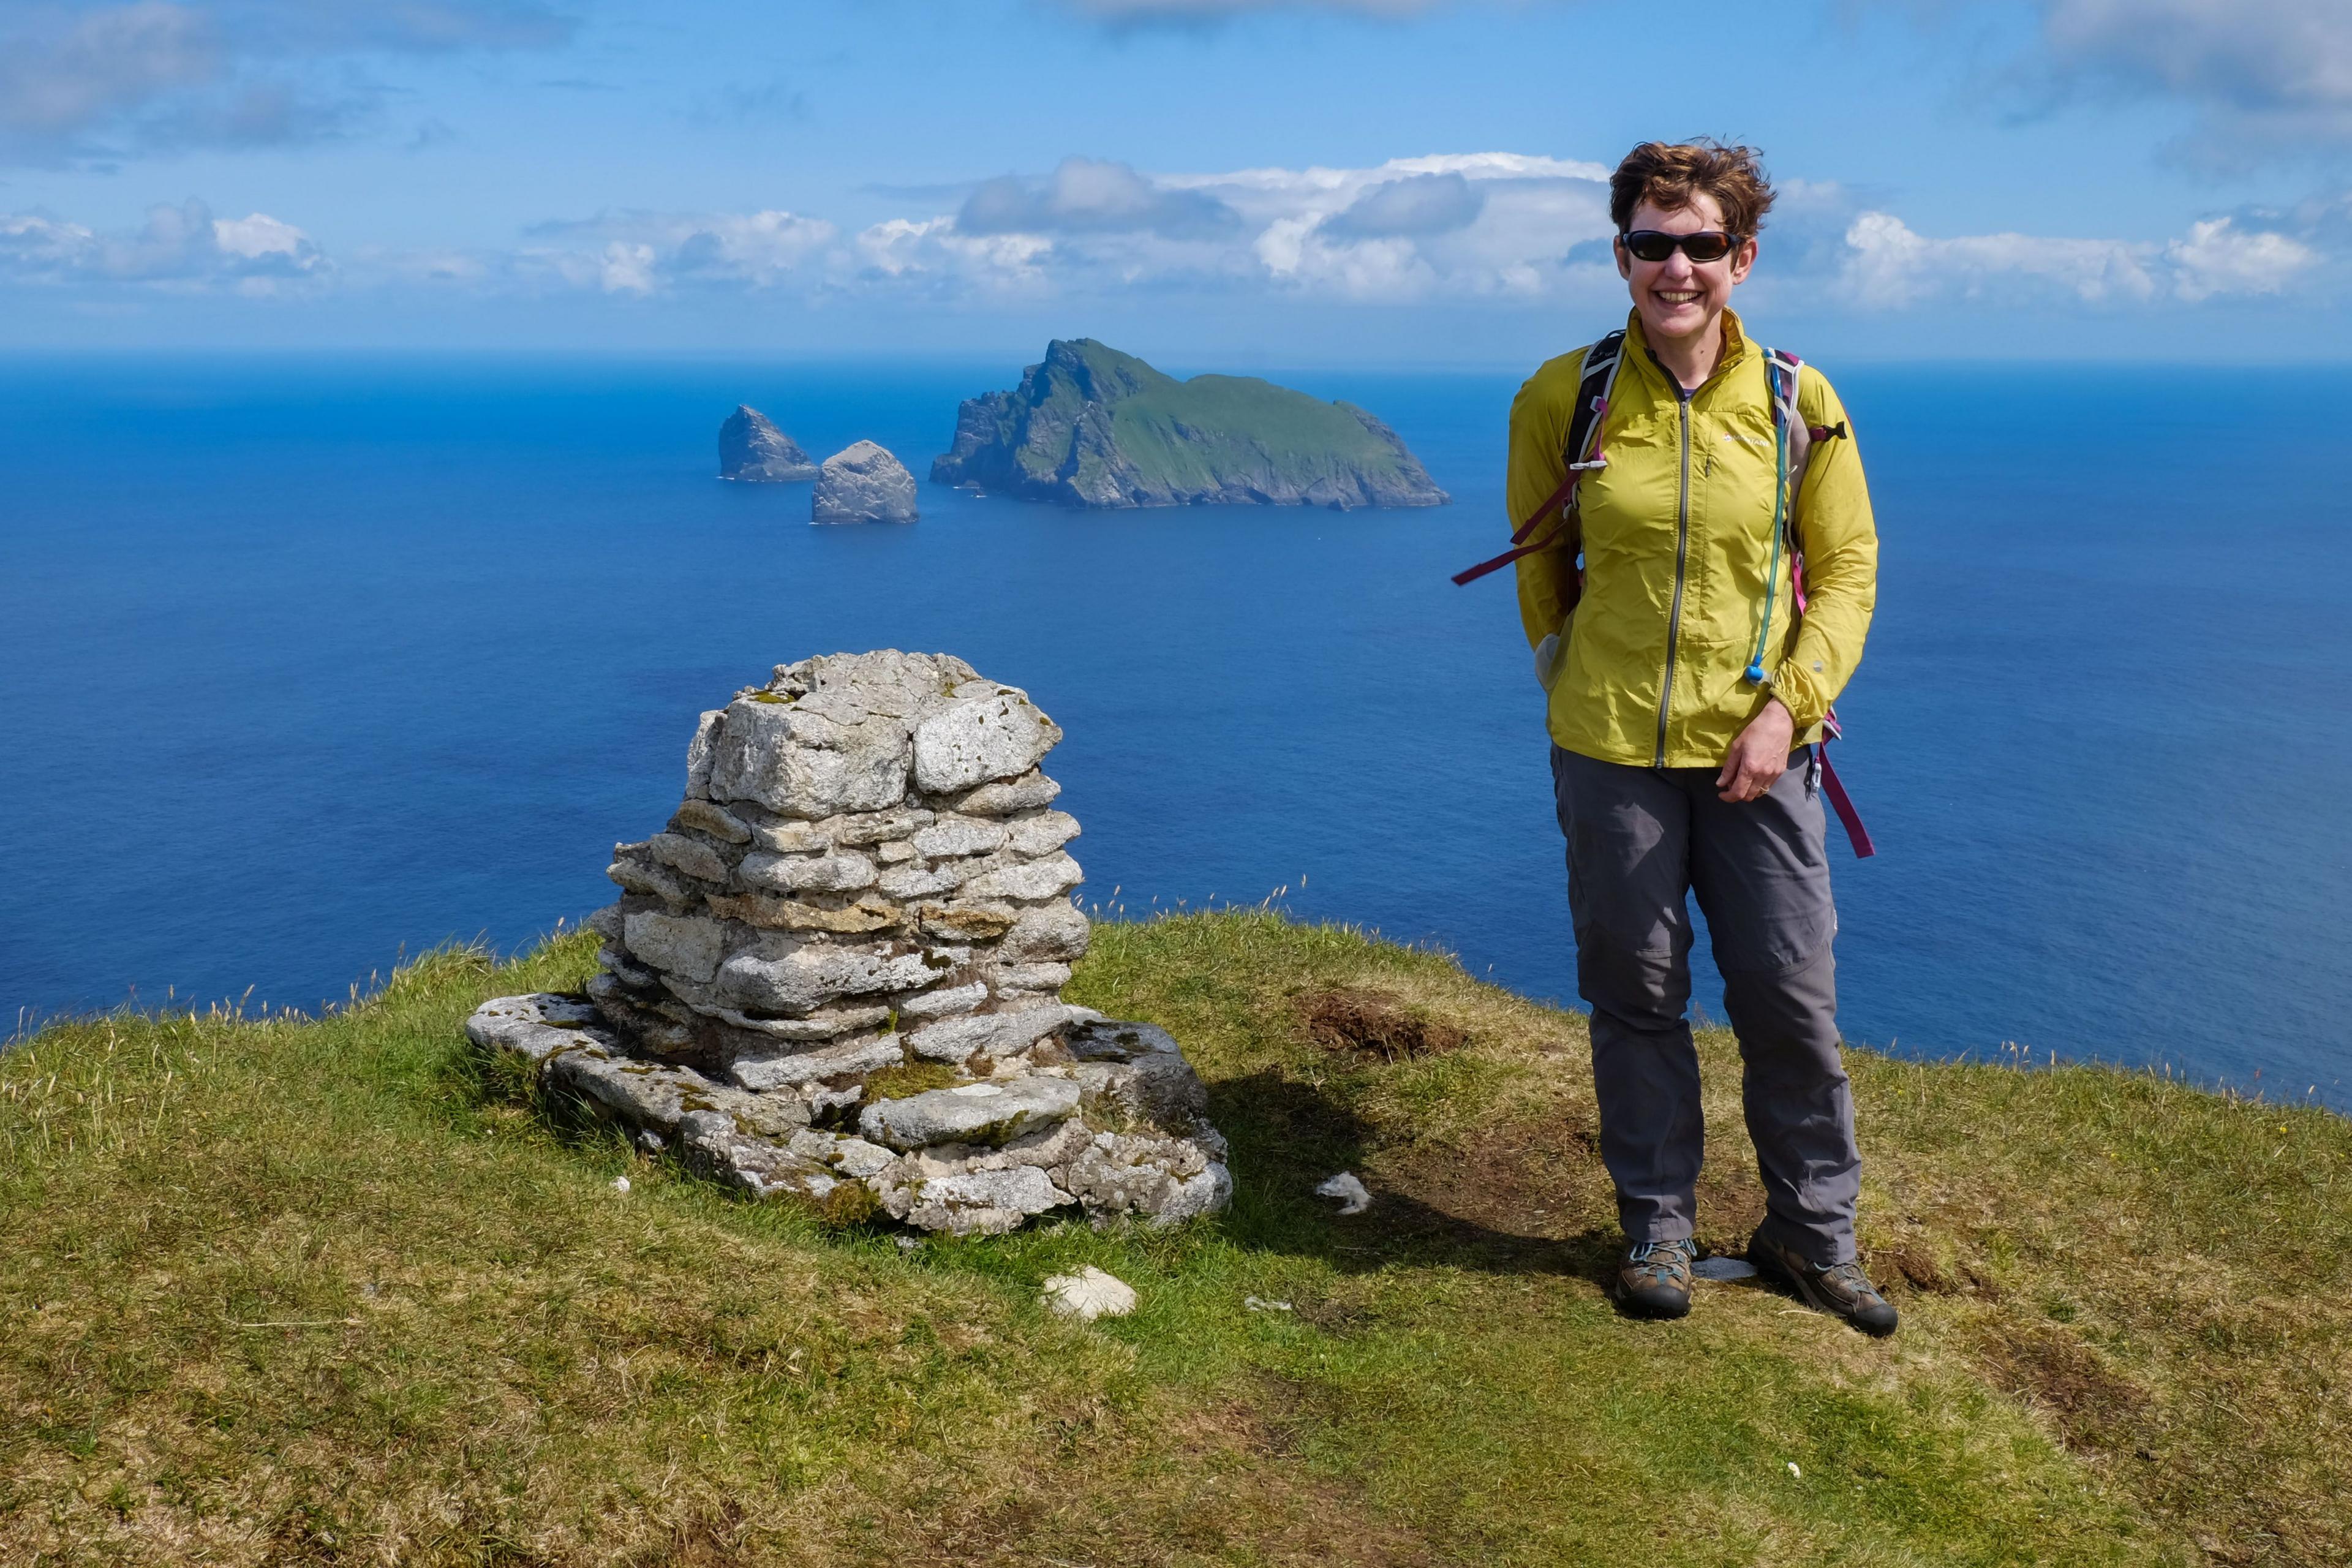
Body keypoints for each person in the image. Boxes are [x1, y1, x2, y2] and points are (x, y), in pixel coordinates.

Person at [1506, 140, 1896, 1335]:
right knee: (1638, 992)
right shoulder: (1561, 395)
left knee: (1789, 996)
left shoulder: (1797, 401)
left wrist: (1788, 706)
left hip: (1761, 752)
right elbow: (1542, 563)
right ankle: (1659, 1229)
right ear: (1620, 252)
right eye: (1651, 242)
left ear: (1743, 256)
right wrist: (1573, 679)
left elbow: (1847, 571)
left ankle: (1811, 1235)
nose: (1676, 266)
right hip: (1612, 748)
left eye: (1701, 245)